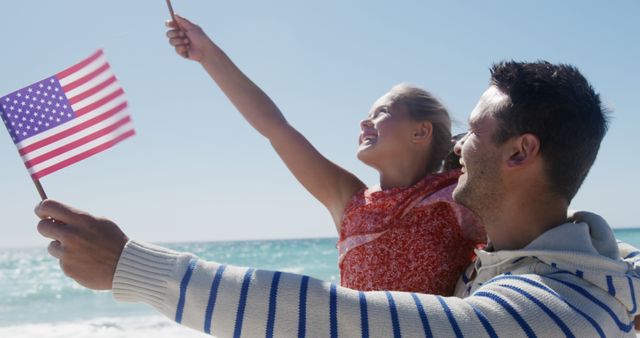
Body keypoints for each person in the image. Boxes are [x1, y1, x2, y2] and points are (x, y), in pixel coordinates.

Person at [37, 60, 640, 337]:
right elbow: (276, 128)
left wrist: (132, 267)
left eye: (472, 135)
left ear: (518, 154)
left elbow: (345, 318)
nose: (461, 147)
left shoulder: (549, 310)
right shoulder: (590, 271)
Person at [163, 15, 485, 295]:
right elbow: (276, 128)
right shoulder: (350, 200)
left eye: (382, 112)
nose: (364, 121)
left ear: (420, 132)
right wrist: (208, 55)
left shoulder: (458, 195)